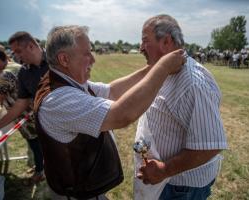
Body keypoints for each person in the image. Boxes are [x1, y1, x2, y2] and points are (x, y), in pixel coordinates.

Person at [33, 25, 185, 200]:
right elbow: (122, 115)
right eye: (87, 53)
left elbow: (112, 91)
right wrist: (163, 68)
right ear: (64, 59)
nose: (93, 59)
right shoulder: (58, 100)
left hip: (83, 189)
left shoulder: (65, 82)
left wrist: (151, 68)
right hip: (77, 194)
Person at [135, 14, 227, 200]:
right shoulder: (163, 71)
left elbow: (210, 145)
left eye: (145, 41)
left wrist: (165, 170)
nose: (140, 48)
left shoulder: (194, 83)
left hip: (179, 188)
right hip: (165, 183)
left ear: (166, 41)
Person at [0, 32, 49, 184]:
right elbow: (20, 103)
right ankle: (42, 170)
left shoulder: (56, 60)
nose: (16, 56)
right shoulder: (23, 72)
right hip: (43, 127)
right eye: (14, 52)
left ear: (31, 46)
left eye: (18, 51)